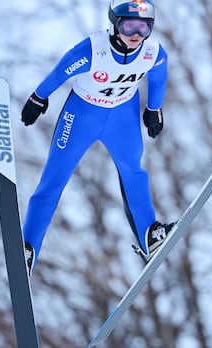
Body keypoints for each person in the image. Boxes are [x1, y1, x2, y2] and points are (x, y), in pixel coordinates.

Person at [20, 0, 174, 275]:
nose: (136, 34)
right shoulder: (94, 49)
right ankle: (28, 247)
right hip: (81, 116)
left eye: (144, 26)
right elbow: (61, 70)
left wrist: (154, 108)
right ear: (115, 24)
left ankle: (149, 233)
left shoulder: (152, 52)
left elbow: (160, 76)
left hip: (122, 118)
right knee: (53, 180)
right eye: (129, 25)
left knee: (134, 172)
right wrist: (39, 96)